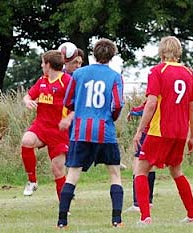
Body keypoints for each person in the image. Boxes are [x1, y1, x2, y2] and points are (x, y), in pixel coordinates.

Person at [57, 38, 124, 228]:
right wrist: (112, 117)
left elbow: (68, 100)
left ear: (93, 54)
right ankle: (116, 220)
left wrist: (77, 108)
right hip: (106, 131)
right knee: (114, 174)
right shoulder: (115, 76)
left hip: (81, 131)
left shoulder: (78, 74)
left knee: (72, 175)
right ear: (112, 55)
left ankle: (62, 221)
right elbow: (118, 103)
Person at [133, 36, 193, 225]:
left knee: (141, 170)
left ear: (161, 52)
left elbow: (151, 103)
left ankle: (145, 217)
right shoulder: (190, 73)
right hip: (180, 132)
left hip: (159, 131)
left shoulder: (157, 71)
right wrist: (192, 136)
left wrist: (140, 130)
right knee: (177, 171)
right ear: (179, 52)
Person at [20, 50, 71, 200]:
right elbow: (28, 95)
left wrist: (69, 118)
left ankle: (64, 207)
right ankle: (32, 181)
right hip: (41, 126)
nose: (42, 65)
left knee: (57, 169)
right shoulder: (42, 80)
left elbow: (77, 102)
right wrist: (27, 100)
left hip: (59, 131)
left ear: (48, 65)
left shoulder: (66, 81)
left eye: (43, 63)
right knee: (26, 141)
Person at [124, 102, 156, 212]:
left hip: (147, 132)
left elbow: (147, 106)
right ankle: (149, 200)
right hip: (158, 132)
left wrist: (132, 111)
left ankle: (137, 203)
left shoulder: (155, 92)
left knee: (138, 165)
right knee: (150, 166)